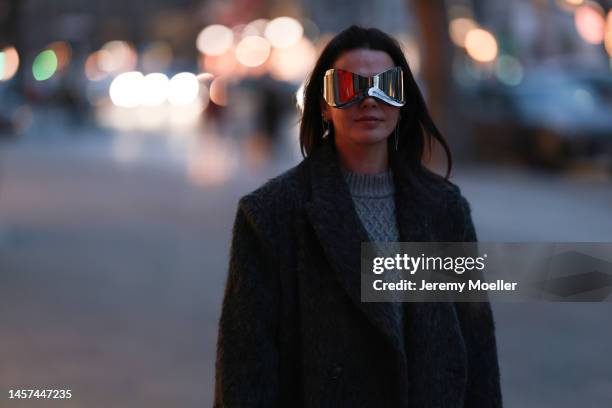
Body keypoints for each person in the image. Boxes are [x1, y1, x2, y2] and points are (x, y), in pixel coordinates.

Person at [214, 25, 502, 407]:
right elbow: (245, 369)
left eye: (387, 85)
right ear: (323, 106)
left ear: (404, 102)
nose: (369, 100)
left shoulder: (443, 208)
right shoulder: (271, 214)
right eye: (348, 88)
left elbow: (476, 348)